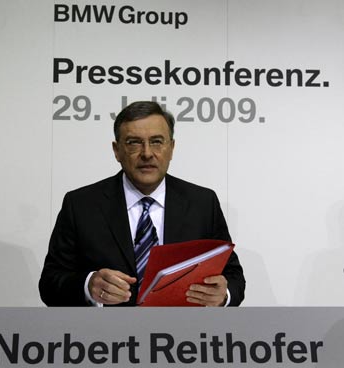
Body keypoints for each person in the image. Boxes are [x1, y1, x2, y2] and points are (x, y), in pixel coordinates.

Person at [39, 101, 245, 307]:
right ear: (116, 150)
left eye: (156, 141)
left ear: (171, 148)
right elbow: (50, 283)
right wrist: (88, 285)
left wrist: (223, 295)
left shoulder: (202, 203)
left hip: (183, 335)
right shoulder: (81, 205)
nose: (147, 153)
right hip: (104, 336)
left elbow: (233, 276)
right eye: (134, 143)